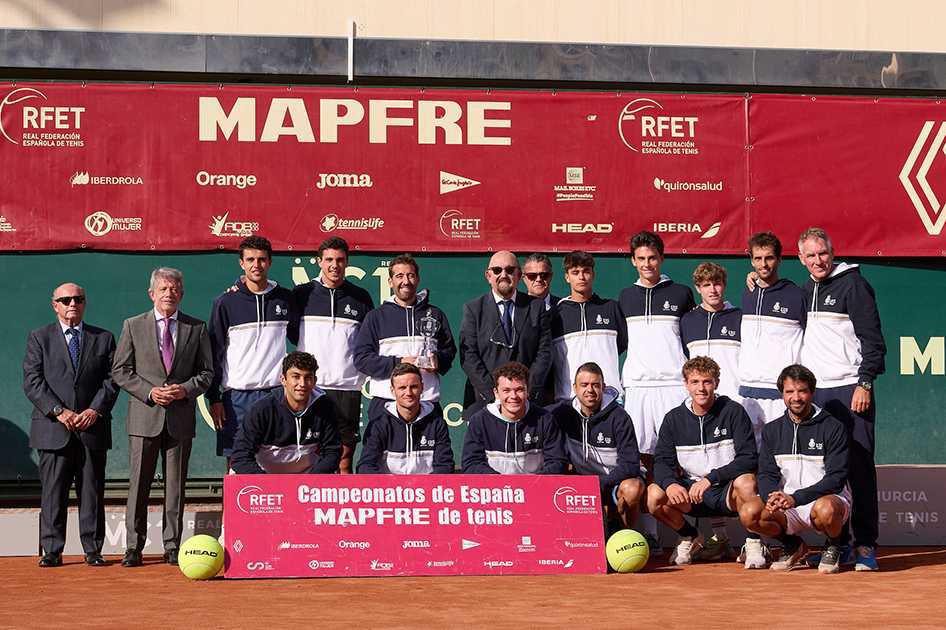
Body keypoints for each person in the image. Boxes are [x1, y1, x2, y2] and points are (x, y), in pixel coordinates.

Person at [798, 227, 886, 571]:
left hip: (851, 389)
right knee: (831, 470)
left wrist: (864, 383)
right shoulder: (807, 289)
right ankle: (840, 544)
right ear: (801, 258)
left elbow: (873, 340)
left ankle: (865, 546)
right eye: (811, 255)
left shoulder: (854, 284)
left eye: (823, 253)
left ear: (832, 253)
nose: (819, 260)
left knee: (860, 468)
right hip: (818, 393)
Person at [112, 268, 213, 567]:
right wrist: (149, 392)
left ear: (181, 293)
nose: (169, 293)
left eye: (174, 289)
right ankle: (133, 547)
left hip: (180, 418)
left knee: (176, 486)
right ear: (152, 293)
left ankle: (172, 546)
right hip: (145, 417)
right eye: (163, 289)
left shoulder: (197, 328)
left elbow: (207, 373)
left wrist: (184, 390)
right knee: (138, 484)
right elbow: (121, 370)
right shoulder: (133, 325)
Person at [23, 283, 119, 567]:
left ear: (85, 303)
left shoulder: (104, 338)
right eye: (65, 300)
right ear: (55, 305)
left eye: (77, 299)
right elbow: (32, 381)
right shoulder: (39, 338)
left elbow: (113, 380)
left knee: (92, 490)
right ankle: (52, 550)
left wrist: (94, 410)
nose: (72, 304)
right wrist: (58, 411)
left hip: (92, 428)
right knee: (53, 491)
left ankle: (93, 549)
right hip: (53, 429)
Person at [648, 357, 766, 568]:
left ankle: (753, 542)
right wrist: (671, 484)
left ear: (716, 383)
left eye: (707, 382)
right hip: (691, 494)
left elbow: (748, 458)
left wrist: (711, 479)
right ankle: (690, 536)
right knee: (654, 495)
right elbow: (661, 462)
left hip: (725, 491)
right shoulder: (673, 419)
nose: (701, 388)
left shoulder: (733, 411)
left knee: (747, 481)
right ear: (686, 384)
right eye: (695, 382)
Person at [618, 230, 694, 542]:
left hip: (673, 385)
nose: (647, 264)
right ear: (633, 262)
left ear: (661, 258)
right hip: (637, 387)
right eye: (641, 259)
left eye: (652, 258)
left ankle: (689, 533)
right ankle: (648, 534)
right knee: (644, 459)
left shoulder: (681, 293)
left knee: (680, 459)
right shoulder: (625, 297)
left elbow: (694, 333)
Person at [746, 364, 851, 573]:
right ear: (782, 394)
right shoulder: (772, 430)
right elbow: (766, 473)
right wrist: (770, 497)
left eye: (802, 391)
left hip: (826, 500)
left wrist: (796, 498)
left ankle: (834, 544)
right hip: (788, 505)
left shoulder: (833, 427)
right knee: (750, 512)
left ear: (811, 392)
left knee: (826, 510)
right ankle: (793, 545)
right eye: (789, 392)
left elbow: (836, 479)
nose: (796, 397)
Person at [207, 236, 296, 468]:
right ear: (241, 263)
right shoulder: (225, 302)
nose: (256, 265)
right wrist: (214, 397)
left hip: (276, 394)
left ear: (270, 262)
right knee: (236, 459)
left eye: (262, 259)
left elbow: (300, 339)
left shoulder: (285, 299)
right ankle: (231, 506)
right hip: (236, 396)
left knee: (275, 459)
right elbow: (214, 352)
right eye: (250, 260)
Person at [292, 236, 374, 474]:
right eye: (328, 260)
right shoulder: (301, 294)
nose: (334, 265)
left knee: (344, 457)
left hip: (347, 387)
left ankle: (342, 507)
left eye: (339, 260)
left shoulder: (361, 297)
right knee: (309, 455)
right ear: (319, 262)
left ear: (347, 262)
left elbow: (367, 341)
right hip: (310, 388)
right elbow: (291, 333)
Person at [352, 254, 456, 428]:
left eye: (410, 275)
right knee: (380, 456)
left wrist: (438, 360)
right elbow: (362, 359)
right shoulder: (376, 317)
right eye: (399, 276)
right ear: (390, 282)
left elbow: (449, 351)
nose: (405, 281)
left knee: (432, 455)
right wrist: (399, 363)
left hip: (427, 401)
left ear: (417, 279)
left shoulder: (435, 314)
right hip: (386, 403)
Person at [459, 251, 552, 419]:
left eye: (509, 270)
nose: (503, 275)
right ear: (488, 275)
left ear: (518, 274)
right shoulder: (473, 309)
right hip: (484, 402)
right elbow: (469, 356)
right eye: (497, 270)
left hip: (527, 403)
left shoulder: (536, 307)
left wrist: (524, 391)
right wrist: (496, 394)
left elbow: (544, 352)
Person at [552, 362, 643, 530]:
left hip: (613, 481)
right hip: (582, 482)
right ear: (574, 387)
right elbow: (535, 416)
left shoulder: (620, 417)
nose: (590, 390)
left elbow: (630, 466)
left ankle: (627, 535)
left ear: (603, 387)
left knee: (632, 488)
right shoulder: (562, 413)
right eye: (584, 385)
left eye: (595, 385)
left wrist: (598, 483)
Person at [738, 232, 806, 444]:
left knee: (782, 455)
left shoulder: (796, 294)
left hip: (780, 392)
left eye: (769, 258)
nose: (763, 264)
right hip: (748, 391)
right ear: (751, 260)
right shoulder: (748, 292)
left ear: (779, 259)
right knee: (750, 457)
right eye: (758, 258)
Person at [230, 351, 341, 474]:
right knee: (235, 475)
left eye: (308, 377)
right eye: (296, 377)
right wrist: (270, 484)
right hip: (264, 478)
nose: (302, 384)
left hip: (308, 478)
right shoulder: (262, 409)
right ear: (283, 379)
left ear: (314, 381)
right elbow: (240, 456)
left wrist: (310, 481)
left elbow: (332, 452)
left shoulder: (326, 407)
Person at [461, 361, 567, 474]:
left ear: (527, 391)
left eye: (519, 390)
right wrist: (502, 484)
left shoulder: (545, 419)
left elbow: (557, 462)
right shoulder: (479, 421)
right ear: (496, 393)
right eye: (506, 390)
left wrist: (533, 483)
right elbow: (471, 463)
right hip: (497, 489)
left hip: (536, 487)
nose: (513, 396)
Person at [550, 251, 626, 402]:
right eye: (575, 272)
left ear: (593, 274)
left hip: (610, 397)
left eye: (586, 271)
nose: (581, 277)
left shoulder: (611, 308)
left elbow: (622, 344)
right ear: (567, 277)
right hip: (568, 398)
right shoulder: (555, 315)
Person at [356, 363, 455, 474]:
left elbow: (445, 465)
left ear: (422, 388)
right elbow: (365, 466)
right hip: (390, 489)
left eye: (414, 387)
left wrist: (424, 488)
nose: (408, 393)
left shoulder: (437, 423)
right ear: (393, 391)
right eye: (402, 388)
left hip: (426, 488)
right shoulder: (379, 424)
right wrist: (393, 488)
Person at [681, 262, 741, 400]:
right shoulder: (688, 320)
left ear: (724, 285)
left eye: (717, 284)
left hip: (734, 397)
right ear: (698, 288)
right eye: (707, 285)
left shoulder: (739, 317)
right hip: (700, 398)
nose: (713, 290)